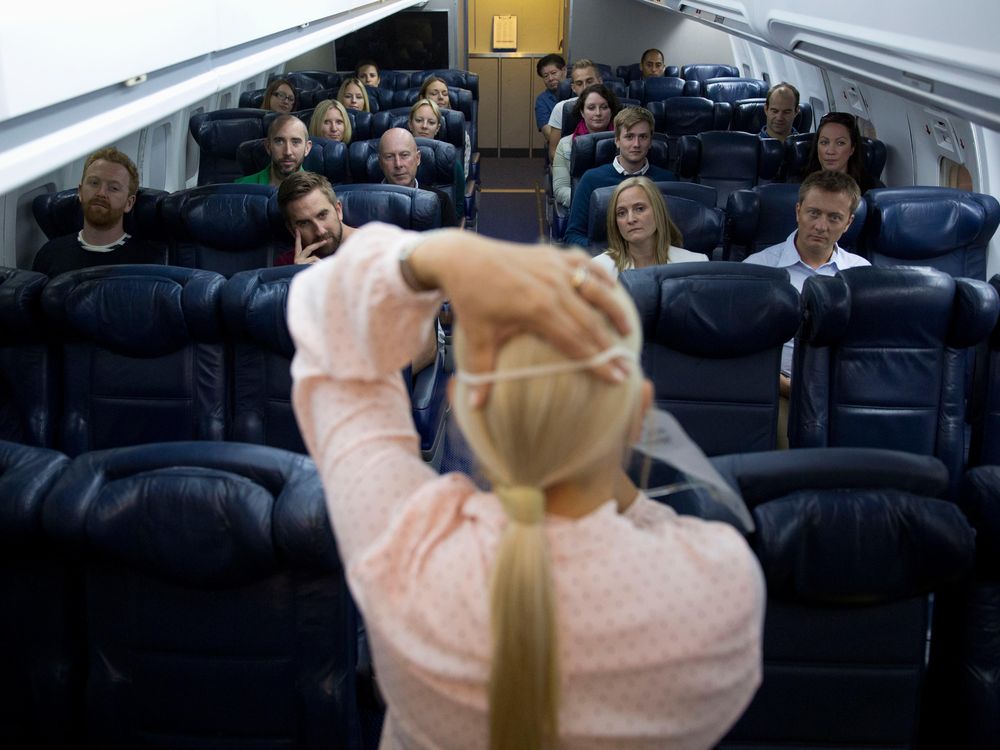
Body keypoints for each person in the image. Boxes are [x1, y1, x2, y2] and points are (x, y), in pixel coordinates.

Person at [287, 222, 764, 750]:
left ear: (464, 409)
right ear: (639, 413)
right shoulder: (720, 585)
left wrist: (435, 255)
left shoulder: (404, 548)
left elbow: (323, 312)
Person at [744, 169, 870, 404]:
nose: (821, 226)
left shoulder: (862, 274)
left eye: (834, 218)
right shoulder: (758, 269)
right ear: (798, 211)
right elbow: (743, 347)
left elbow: (866, 346)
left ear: (848, 223)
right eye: (814, 213)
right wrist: (787, 387)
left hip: (842, 395)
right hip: (774, 392)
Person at [32, 147, 165, 276]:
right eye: (94, 183)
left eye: (113, 188)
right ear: (80, 192)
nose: (101, 193)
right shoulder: (50, 254)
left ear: (129, 203)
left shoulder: (147, 260)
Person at [564, 107, 676, 248]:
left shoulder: (667, 180)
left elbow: (673, 233)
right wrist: (611, 253)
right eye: (629, 137)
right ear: (617, 140)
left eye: (643, 137)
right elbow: (572, 236)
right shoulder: (591, 179)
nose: (636, 144)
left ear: (650, 141)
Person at [594, 176, 707, 277]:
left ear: (658, 212)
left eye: (640, 209)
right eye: (621, 213)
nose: (631, 219)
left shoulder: (696, 265)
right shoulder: (597, 269)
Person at [552, 84, 622, 210]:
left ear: (611, 111)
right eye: (591, 108)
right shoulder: (565, 144)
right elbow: (560, 189)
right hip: (581, 209)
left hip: (621, 208)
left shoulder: (625, 142)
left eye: (604, 107)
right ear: (582, 112)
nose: (598, 113)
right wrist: (592, 203)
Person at [378, 128, 457, 227]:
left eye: (404, 155)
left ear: (417, 158)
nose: (398, 164)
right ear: (380, 162)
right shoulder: (365, 201)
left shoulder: (440, 201)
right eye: (389, 156)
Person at [274, 171, 355, 266]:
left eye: (322, 215)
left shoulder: (373, 246)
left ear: (338, 210)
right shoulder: (288, 264)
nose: (320, 231)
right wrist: (297, 272)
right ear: (291, 230)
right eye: (304, 223)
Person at [799, 111, 886, 193]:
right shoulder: (799, 184)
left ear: (852, 149)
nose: (830, 151)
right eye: (824, 142)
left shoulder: (872, 189)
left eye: (840, 143)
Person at [546, 59, 603, 159]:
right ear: (573, 88)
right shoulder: (561, 108)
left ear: (600, 81)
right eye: (579, 83)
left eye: (590, 81)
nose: (585, 87)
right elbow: (553, 151)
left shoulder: (615, 106)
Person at [419, 76, 472, 181]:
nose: (440, 97)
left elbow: (462, 175)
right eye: (434, 93)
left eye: (445, 94)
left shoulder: (457, 129)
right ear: (422, 98)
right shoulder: (407, 125)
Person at [234, 114, 311, 186]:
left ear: (307, 148)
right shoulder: (241, 187)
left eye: (295, 142)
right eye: (279, 142)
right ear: (268, 146)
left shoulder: (319, 192)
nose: (288, 152)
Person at [534, 53, 566, 132]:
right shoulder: (542, 100)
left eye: (554, 73)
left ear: (564, 71)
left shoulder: (577, 90)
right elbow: (548, 134)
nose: (550, 78)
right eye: (546, 76)